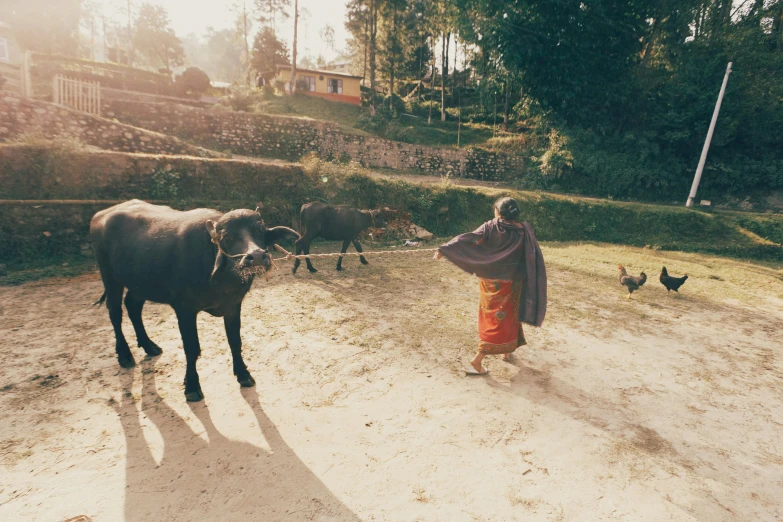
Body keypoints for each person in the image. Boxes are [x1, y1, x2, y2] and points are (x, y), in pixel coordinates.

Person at [435, 197, 547, 375]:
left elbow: (470, 239)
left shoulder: (490, 226)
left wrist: (446, 249)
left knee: (499, 317)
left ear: (498, 212)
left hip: (490, 282)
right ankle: (476, 361)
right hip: (512, 282)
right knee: (503, 317)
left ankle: (506, 349)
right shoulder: (523, 230)